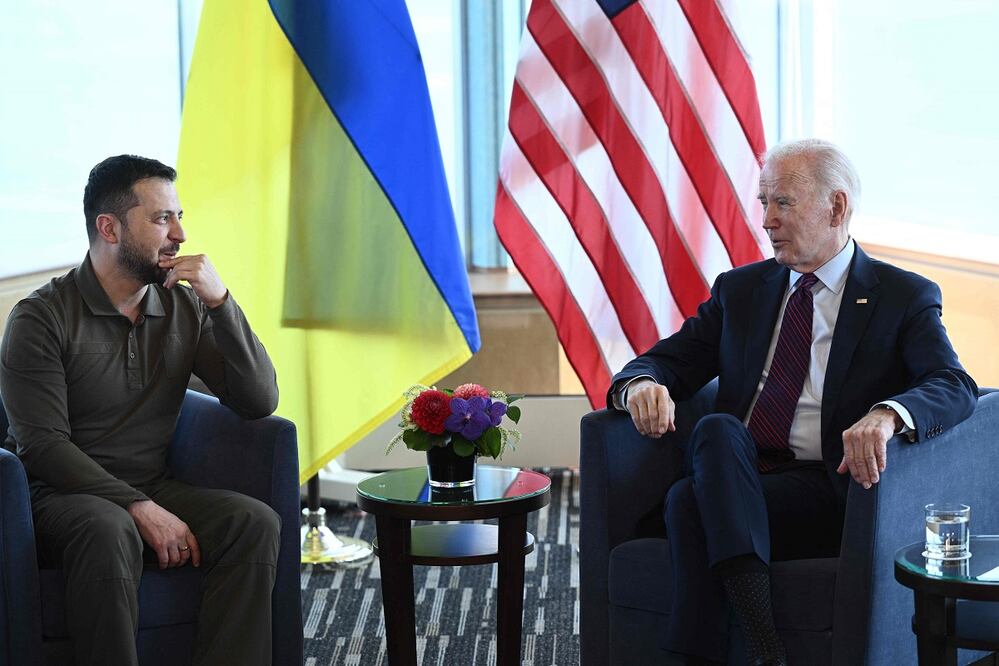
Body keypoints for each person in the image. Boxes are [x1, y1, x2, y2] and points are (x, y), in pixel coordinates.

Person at [608, 139, 977, 665]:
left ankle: (726, 650)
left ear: (837, 207)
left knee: (687, 503)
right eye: (763, 203)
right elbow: (660, 362)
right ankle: (765, 649)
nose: (766, 220)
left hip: (823, 487)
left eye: (783, 202)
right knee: (717, 432)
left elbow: (953, 383)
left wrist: (887, 414)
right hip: (734, 469)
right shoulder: (741, 290)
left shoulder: (901, 296)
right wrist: (640, 386)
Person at [0, 155, 281, 666]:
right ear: (109, 227)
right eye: (161, 218)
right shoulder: (39, 318)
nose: (179, 233)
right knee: (108, 528)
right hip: (59, 494)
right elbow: (41, 446)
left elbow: (258, 400)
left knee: (253, 521)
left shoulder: (183, 304)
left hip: (151, 481)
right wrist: (138, 507)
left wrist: (221, 304)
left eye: (178, 216)